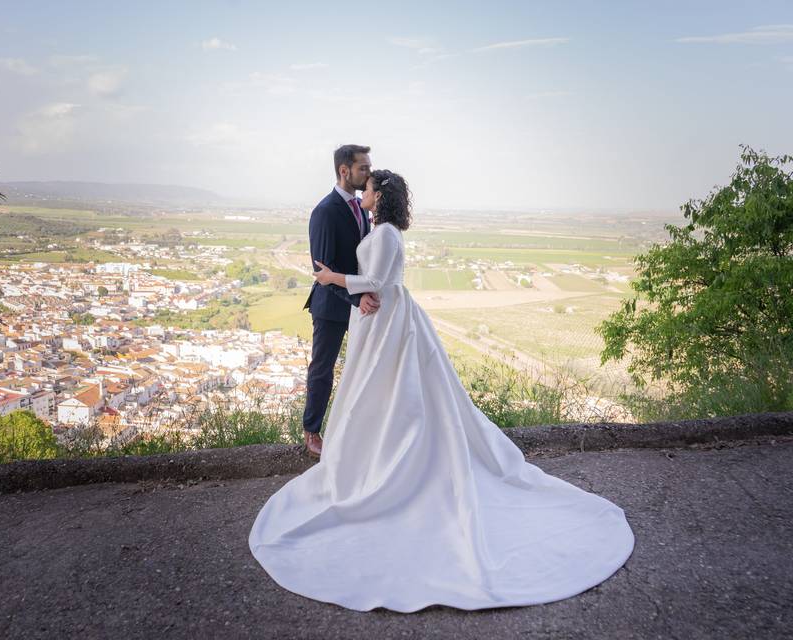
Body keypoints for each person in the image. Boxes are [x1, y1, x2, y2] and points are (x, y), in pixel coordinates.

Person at [249, 169, 635, 612]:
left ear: (381, 196)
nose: (364, 193)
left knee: (392, 394)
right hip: (380, 319)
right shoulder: (383, 229)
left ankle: (397, 467)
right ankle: (373, 458)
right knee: (373, 397)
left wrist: (332, 279)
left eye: (369, 189)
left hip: (389, 321)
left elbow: (376, 283)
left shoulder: (388, 234)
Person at [301, 144, 381, 459]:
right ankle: (311, 432)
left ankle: (359, 430)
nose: (369, 173)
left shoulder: (363, 207)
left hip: (361, 304)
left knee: (366, 367)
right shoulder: (324, 211)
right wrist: (356, 297)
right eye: (363, 168)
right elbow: (322, 270)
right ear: (344, 170)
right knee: (323, 369)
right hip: (333, 306)